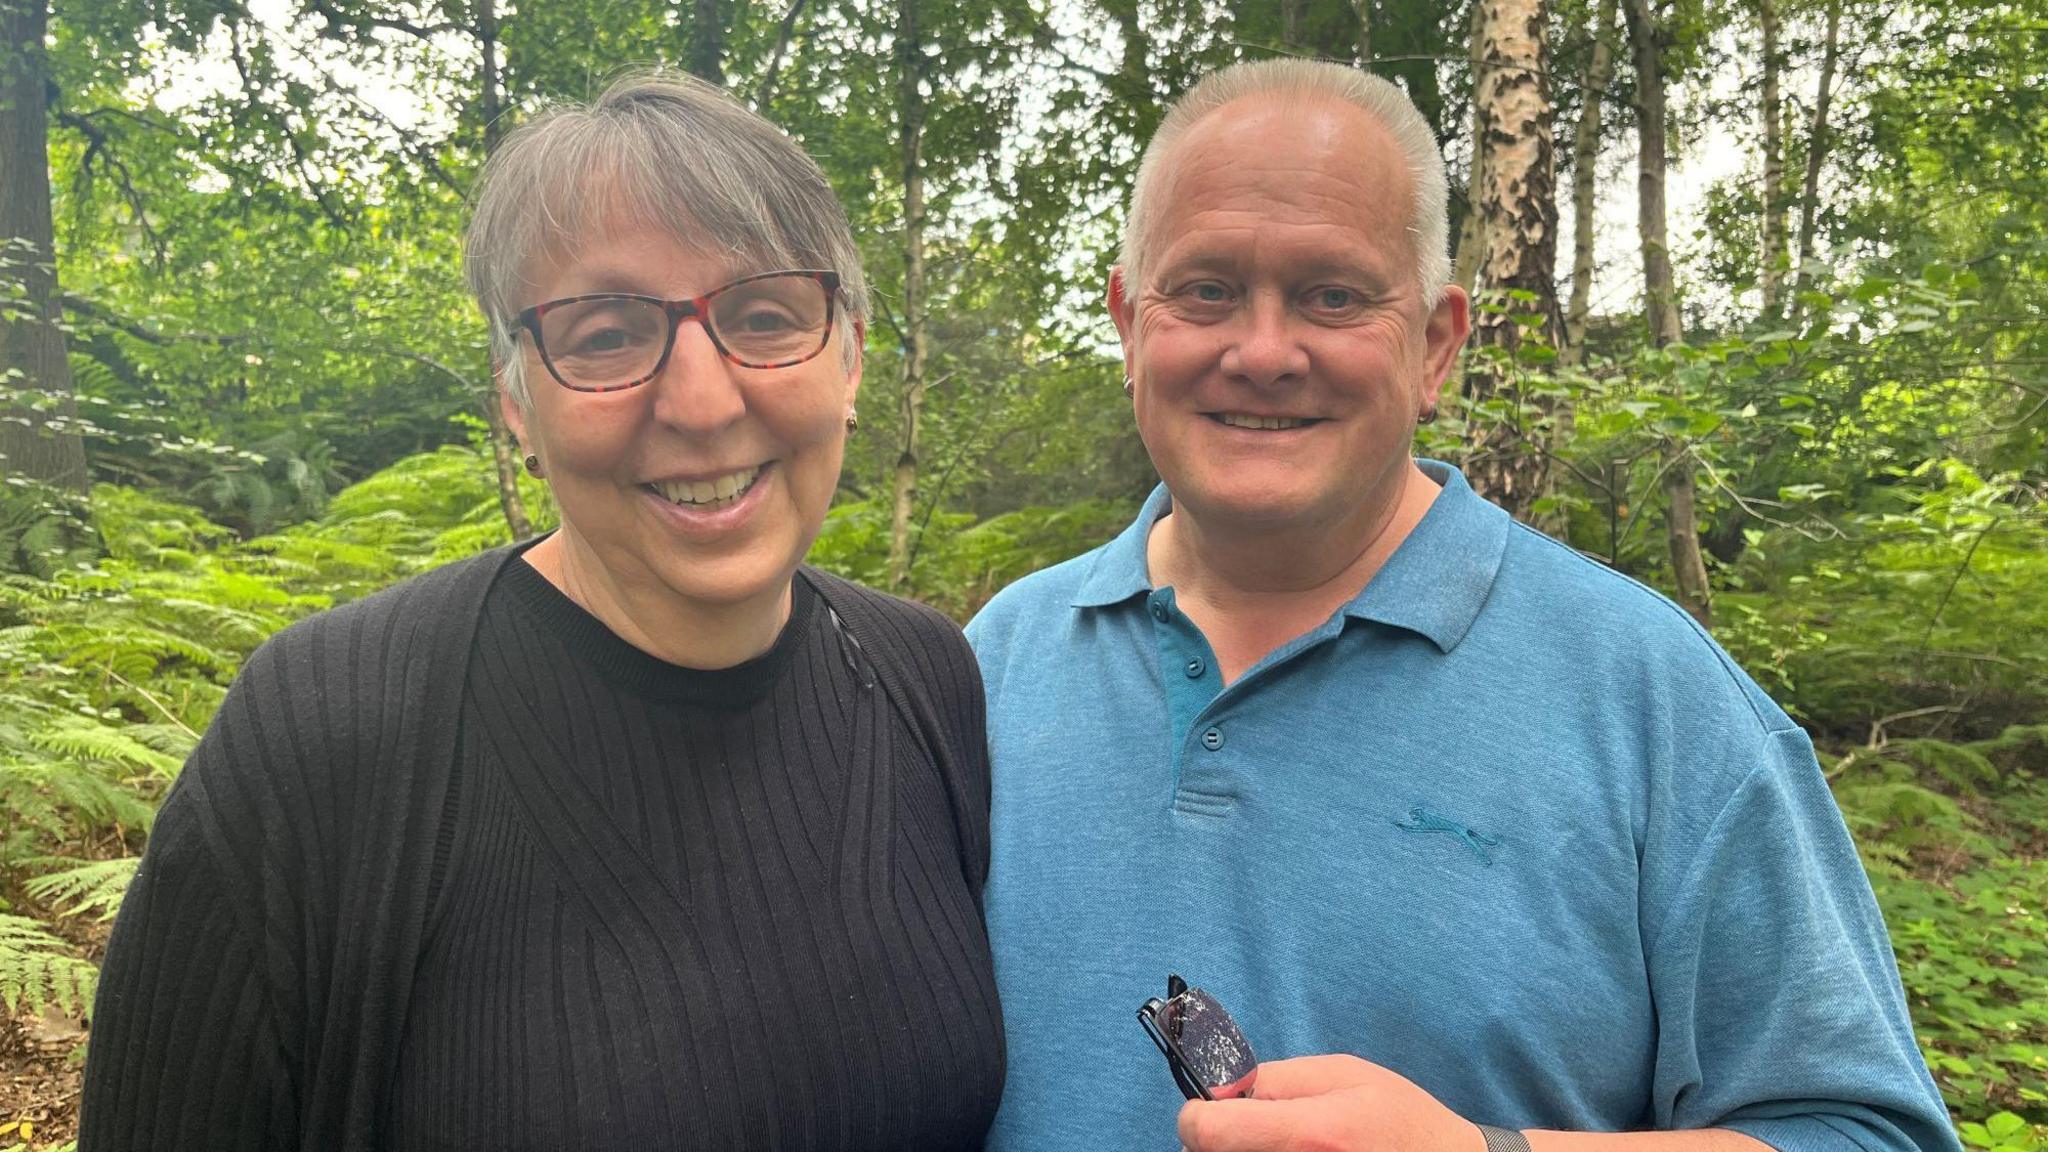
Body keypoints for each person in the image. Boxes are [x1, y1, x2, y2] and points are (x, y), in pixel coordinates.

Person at [965, 58, 1958, 1152]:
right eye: (1204, 291)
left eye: (1331, 296)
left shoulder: (1649, 697)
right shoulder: (985, 668)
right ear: (1127, 323)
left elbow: (1867, 1132)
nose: (1259, 352)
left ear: (1435, 343)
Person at [80, 72, 1003, 1151]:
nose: (702, 403)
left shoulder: (922, 679)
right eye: (605, 333)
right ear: (516, 400)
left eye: (763, 315)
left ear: (848, 359)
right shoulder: (322, 737)